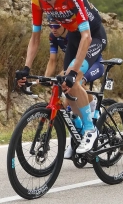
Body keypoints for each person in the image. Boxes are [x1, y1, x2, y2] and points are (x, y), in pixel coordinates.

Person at [16, 0, 107, 156]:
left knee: (73, 78)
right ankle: (85, 121)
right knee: (66, 87)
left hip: (93, 35)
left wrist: (74, 72)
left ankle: (91, 129)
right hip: (74, 37)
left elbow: (87, 37)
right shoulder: (37, 1)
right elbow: (35, 38)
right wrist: (26, 68)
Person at [46, 17, 105, 158]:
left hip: (93, 64)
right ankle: (76, 137)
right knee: (68, 104)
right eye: (50, 25)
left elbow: (76, 66)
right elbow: (52, 60)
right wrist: (47, 79)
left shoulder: (77, 34)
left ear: (66, 26)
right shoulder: (54, 37)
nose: (53, 28)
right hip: (74, 66)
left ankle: (91, 111)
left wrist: (64, 75)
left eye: (57, 25)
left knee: (75, 83)